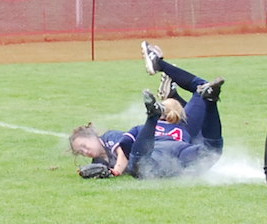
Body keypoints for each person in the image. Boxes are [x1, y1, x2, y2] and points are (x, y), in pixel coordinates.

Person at [69, 41, 224, 178]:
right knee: (209, 153)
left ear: (93, 136)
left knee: (140, 165)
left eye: (84, 145)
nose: (85, 151)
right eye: (81, 152)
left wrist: (116, 170)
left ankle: (156, 110)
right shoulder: (100, 159)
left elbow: (125, 152)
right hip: (181, 143)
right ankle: (200, 98)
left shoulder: (112, 137)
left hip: (167, 146)